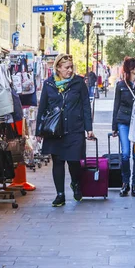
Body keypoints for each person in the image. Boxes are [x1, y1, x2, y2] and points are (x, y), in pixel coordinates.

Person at [36, 54, 93, 206]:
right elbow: (42, 107)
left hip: (75, 128)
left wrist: (89, 129)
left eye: (71, 67)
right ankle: (60, 194)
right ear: (58, 68)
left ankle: (75, 183)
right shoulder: (49, 84)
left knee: (74, 162)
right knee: (58, 162)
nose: (70, 70)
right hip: (55, 130)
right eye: (66, 67)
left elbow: (86, 106)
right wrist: (38, 131)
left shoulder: (79, 83)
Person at [112, 57, 135, 197]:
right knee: (125, 154)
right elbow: (116, 106)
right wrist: (114, 126)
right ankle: (125, 183)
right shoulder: (121, 85)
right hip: (123, 121)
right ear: (131, 69)